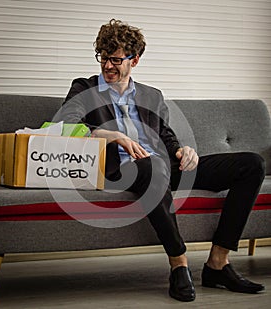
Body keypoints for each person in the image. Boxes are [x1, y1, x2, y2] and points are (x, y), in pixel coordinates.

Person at [53, 19, 266, 302]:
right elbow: (65, 124)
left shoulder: (151, 96)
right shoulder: (84, 88)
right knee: (152, 167)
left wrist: (181, 151)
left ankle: (218, 263)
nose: (107, 66)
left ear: (135, 60)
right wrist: (112, 136)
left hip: (163, 165)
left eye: (116, 59)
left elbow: (165, 135)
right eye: (103, 58)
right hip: (122, 169)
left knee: (251, 164)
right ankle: (179, 264)